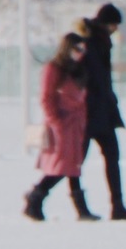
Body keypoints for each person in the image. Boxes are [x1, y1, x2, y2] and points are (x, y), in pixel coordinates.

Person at [22, 33, 97, 222]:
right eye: (77, 49)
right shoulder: (54, 68)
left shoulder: (77, 70)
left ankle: (81, 209)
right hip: (61, 126)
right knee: (63, 166)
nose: (81, 54)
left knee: (73, 166)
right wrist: (56, 121)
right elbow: (46, 98)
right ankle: (36, 197)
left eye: (83, 50)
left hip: (76, 125)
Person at [80, 3, 126, 220]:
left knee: (112, 157)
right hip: (88, 112)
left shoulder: (101, 42)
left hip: (103, 112)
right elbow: (92, 79)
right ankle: (41, 196)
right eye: (114, 24)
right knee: (75, 162)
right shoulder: (89, 43)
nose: (116, 29)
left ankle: (117, 205)